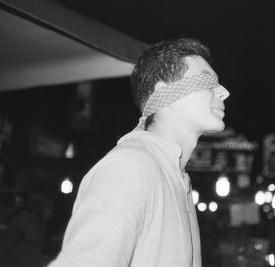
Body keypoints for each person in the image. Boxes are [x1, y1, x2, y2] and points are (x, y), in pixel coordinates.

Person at [48, 37, 230, 267]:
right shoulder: (129, 167)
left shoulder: (176, 177)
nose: (224, 92)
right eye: (207, 81)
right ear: (165, 92)